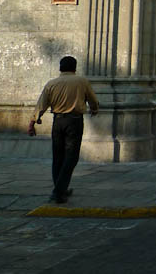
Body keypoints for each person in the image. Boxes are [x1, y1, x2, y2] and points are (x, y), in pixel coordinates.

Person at [28, 56, 99, 204]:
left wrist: (32, 122)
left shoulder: (51, 84)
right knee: (71, 157)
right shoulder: (82, 81)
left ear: (60, 68)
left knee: (58, 157)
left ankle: (61, 189)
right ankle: (58, 191)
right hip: (74, 122)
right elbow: (92, 99)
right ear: (75, 68)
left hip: (58, 122)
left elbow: (41, 104)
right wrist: (94, 109)